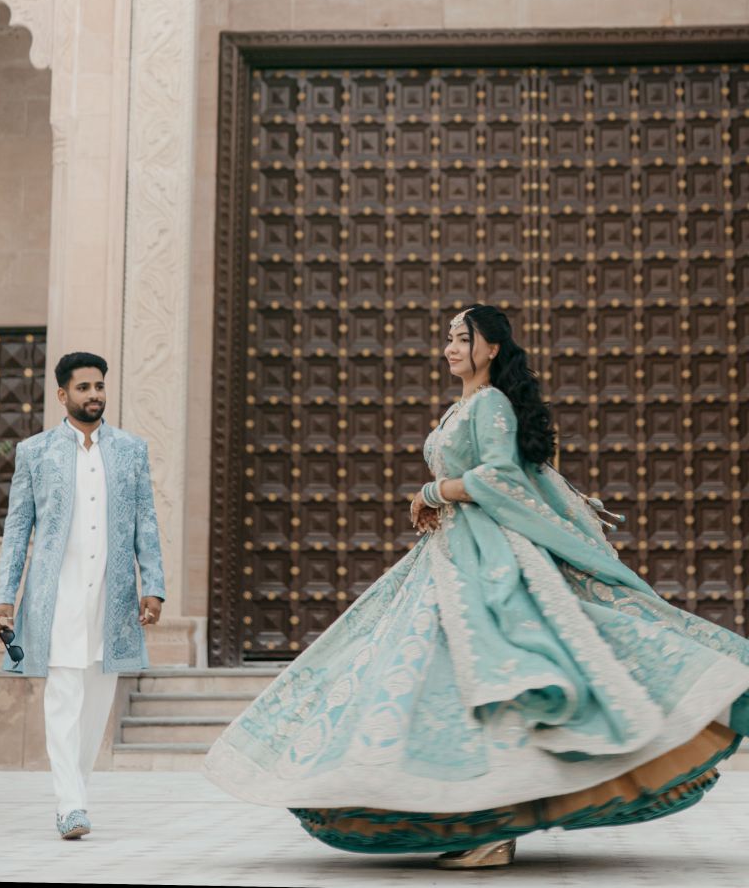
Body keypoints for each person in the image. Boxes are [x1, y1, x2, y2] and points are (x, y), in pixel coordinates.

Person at [204, 304, 749, 869]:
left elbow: (499, 475)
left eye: (463, 339)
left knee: (488, 664)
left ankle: (492, 828)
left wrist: (433, 492)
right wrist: (437, 496)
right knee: (440, 676)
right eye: (448, 338)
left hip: (482, 554)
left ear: (492, 349)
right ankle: (480, 822)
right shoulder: (460, 406)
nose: (451, 348)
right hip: (449, 551)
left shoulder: (490, 403)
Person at [0, 351, 165, 840]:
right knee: (64, 697)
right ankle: (70, 805)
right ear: (62, 394)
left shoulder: (130, 450)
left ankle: (75, 798)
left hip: (112, 597)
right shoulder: (36, 452)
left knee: (97, 703)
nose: (94, 395)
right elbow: (17, 529)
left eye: (99, 386)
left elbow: (146, 522)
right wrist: (5, 595)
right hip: (57, 597)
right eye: (84, 387)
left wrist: (153, 586)